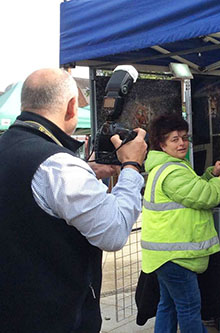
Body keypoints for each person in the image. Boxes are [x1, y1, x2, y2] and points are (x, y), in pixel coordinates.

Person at [0, 68, 147, 332]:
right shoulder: (59, 167)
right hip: (55, 318)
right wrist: (132, 167)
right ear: (70, 107)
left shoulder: (12, 149)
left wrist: (87, 171)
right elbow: (113, 232)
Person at [141, 113, 220, 333]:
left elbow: (191, 191)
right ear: (162, 144)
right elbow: (204, 197)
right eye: (174, 139)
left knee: (169, 305)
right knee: (189, 308)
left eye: (184, 137)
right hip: (176, 256)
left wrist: (211, 174)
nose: (182, 143)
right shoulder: (173, 171)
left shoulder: (169, 167)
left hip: (166, 255)